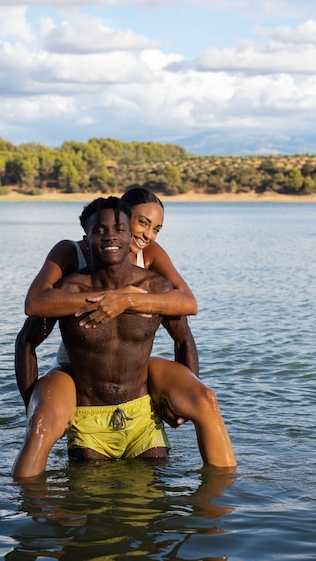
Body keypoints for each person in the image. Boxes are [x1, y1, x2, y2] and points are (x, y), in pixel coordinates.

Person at [12, 197, 236, 477]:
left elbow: (184, 330)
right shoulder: (68, 283)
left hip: (140, 406)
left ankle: (225, 497)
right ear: (87, 238)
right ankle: (25, 505)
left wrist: (177, 402)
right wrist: (31, 406)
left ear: (128, 234)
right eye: (100, 231)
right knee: (50, 432)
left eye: (119, 229)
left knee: (205, 402)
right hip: (83, 387)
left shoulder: (154, 285)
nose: (110, 236)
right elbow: (28, 331)